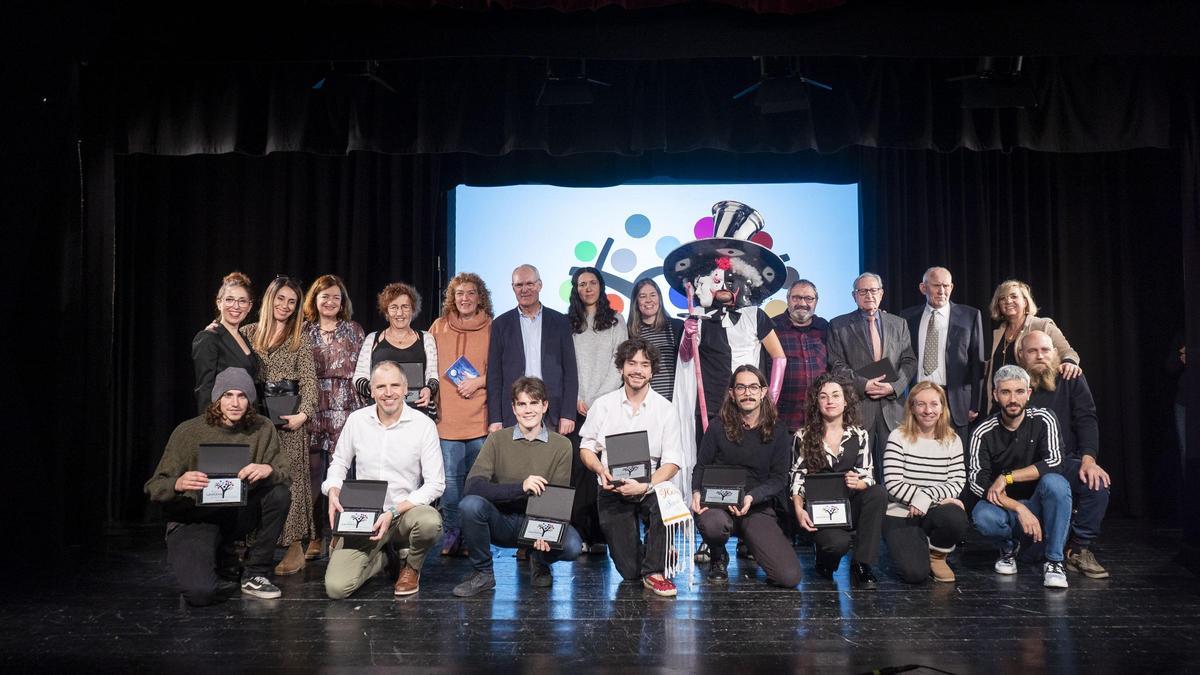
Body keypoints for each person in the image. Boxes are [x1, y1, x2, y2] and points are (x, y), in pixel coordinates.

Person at [145, 367, 290, 605]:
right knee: (201, 594)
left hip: (237, 511)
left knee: (278, 492)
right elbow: (154, 486)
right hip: (195, 517)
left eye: (242, 396)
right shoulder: (189, 431)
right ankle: (222, 558)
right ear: (217, 399)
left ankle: (255, 573)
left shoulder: (262, 428)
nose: (235, 403)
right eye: (228, 395)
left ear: (250, 400)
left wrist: (269, 470)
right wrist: (178, 483)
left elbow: (285, 474)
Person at [323, 361, 445, 599]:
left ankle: (411, 566)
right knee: (337, 589)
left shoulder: (423, 425)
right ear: (371, 389)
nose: (388, 393)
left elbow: (435, 483)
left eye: (394, 385)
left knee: (430, 522)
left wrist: (392, 511)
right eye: (381, 386)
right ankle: (384, 558)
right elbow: (339, 463)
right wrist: (333, 489)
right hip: (364, 516)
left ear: (405, 387)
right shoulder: (357, 420)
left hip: (403, 515)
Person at [452, 377, 580, 597]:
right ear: (513, 408)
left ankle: (538, 560)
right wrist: (521, 487)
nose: (528, 410)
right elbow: (473, 487)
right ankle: (483, 574)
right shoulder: (497, 440)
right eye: (522, 404)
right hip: (502, 521)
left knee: (572, 546)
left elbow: (556, 498)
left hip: (538, 522)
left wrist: (545, 530)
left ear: (544, 406)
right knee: (470, 505)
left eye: (533, 403)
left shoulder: (562, 445)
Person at [578, 338, 685, 597]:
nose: (638, 370)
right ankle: (657, 551)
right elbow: (586, 448)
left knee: (664, 499)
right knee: (629, 571)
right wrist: (600, 471)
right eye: (632, 363)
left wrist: (647, 485)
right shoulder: (603, 405)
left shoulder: (666, 409)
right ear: (621, 367)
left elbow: (672, 462)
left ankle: (656, 571)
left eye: (644, 365)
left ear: (652, 370)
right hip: (611, 488)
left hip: (649, 485)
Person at [692, 365, 801, 588]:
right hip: (718, 505)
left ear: (763, 392)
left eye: (753, 387)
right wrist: (695, 492)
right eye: (740, 387)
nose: (747, 393)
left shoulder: (778, 430)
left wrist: (752, 497)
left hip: (756, 506)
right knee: (713, 525)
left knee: (789, 577)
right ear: (732, 393)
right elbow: (701, 467)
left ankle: (754, 545)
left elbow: (779, 478)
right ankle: (718, 555)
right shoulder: (717, 427)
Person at [241, 275, 318, 577]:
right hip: (256, 422)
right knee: (257, 480)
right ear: (269, 298)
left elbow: (311, 381)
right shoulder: (247, 334)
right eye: (280, 299)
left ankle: (294, 548)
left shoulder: (300, 337)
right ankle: (256, 544)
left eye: (291, 301)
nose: (285, 306)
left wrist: (305, 414)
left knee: (292, 483)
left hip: (289, 420)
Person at [1019, 330, 1112, 578]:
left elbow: (1086, 419)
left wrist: (1089, 459)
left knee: (1096, 483)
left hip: (1063, 461)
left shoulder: (1070, 379)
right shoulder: (1014, 383)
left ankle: (1078, 548)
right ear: (1021, 356)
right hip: (1026, 469)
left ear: (1056, 353)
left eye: (1045, 350)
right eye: (1032, 351)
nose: (1040, 356)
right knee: (1029, 555)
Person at [968, 364, 1071, 588]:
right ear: (995, 395)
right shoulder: (982, 432)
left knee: (1056, 483)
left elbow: (1055, 462)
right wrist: (1018, 508)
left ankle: (1054, 562)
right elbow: (977, 483)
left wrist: (1008, 477)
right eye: (1005, 392)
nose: (1013, 399)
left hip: (1039, 505)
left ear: (1028, 393)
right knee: (983, 516)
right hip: (1004, 508)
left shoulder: (1044, 419)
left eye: (1019, 391)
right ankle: (1007, 548)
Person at [790, 373, 886, 587]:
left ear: (845, 401)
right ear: (817, 402)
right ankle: (823, 560)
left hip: (850, 504)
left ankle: (862, 564)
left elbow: (868, 476)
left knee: (878, 493)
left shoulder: (859, 436)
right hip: (820, 511)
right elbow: (797, 479)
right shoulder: (803, 436)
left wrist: (859, 482)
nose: (830, 401)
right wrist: (799, 509)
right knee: (837, 544)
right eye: (823, 397)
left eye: (835, 395)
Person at [827, 272, 918, 478]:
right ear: (854, 296)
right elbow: (836, 365)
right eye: (863, 291)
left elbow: (909, 361)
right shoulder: (838, 325)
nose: (869, 295)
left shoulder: (898, 323)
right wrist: (863, 384)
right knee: (858, 469)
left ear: (882, 293)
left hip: (892, 407)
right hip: (859, 405)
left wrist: (894, 387)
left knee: (895, 469)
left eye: (873, 290)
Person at [428, 272, 494, 557]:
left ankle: (472, 534)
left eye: (470, 293)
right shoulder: (438, 327)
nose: (465, 298)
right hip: (446, 419)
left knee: (476, 481)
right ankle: (452, 531)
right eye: (459, 293)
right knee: (451, 483)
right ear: (452, 298)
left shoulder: (494, 327)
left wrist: (479, 382)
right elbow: (429, 367)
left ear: (480, 296)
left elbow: (502, 369)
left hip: (480, 417)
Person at [301, 274, 366, 560]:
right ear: (315, 299)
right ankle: (315, 536)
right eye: (324, 296)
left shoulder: (354, 329)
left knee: (344, 473)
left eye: (335, 297)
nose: (330, 301)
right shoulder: (302, 330)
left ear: (343, 302)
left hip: (346, 404)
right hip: (312, 404)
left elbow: (364, 369)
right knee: (314, 472)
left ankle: (341, 532)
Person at [881, 382, 970, 583]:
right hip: (900, 512)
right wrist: (927, 498)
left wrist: (926, 498)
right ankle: (915, 547)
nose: (928, 410)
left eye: (934, 404)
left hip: (935, 511)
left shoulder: (952, 440)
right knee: (915, 574)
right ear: (911, 407)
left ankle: (937, 555)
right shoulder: (898, 436)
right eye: (921, 404)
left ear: (942, 408)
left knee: (955, 516)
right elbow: (893, 483)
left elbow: (956, 482)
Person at [568, 266, 627, 552]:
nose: (587, 288)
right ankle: (580, 533)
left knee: (604, 471)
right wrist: (578, 397)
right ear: (575, 289)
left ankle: (601, 537)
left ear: (601, 287)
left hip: (606, 408)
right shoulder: (567, 323)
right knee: (579, 472)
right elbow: (566, 365)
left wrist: (597, 401)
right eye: (582, 284)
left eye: (592, 283)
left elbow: (620, 364)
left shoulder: (617, 320)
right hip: (576, 407)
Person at [486, 264, 578, 435]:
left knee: (551, 462)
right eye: (519, 285)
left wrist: (568, 413)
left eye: (530, 284)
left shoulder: (560, 322)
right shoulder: (500, 324)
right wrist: (495, 418)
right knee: (516, 462)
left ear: (539, 285)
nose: (524, 289)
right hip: (514, 412)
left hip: (553, 412)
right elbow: (494, 375)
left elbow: (570, 372)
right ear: (512, 288)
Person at [899, 267, 985, 442]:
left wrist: (975, 403)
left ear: (952, 287)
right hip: (918, 397)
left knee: (956, 455)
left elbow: (977, 363)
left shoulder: (970, 315)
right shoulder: (907, 317)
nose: (942, 291)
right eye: (936, 285)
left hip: (956, 401)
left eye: (946, 286)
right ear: (923, 288)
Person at [984, 279, 1081, 413]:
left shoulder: (1042, 325)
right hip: (1001, 404)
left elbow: (1068, 352)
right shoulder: (998, 333)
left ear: (1025, 301)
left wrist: (1069, 363)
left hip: (1032, 402)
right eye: (1002, 298)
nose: (1008, 301)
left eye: (1013, 296)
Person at [354, 283, 440, 418]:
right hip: (380, 415)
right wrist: (377, 389)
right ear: (386, 311)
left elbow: (433, 376)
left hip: (418, 413)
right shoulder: (373, 339)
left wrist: (429, 389)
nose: (399, 313)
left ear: (413, 309)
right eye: (394, 307)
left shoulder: (426, 339)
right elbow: (359, 377)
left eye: (405, 307)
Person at [192, 272, 259, 414]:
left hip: (248, 419)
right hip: (222, 422)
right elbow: (204, 389)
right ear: (219, 302)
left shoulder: (245, 337)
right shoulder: (208, 338)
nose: (236, 306)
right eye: (229, 300)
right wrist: (208, 428)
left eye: (242, 301)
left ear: (249, 306)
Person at [772, 279, 830, 434]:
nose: (802, 303)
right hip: (782, 420)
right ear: (788, 299)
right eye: (796, 298)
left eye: (809, 299)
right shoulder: (772, 328)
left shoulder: (826, 328)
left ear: (816, 302)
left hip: (820, 419)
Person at [626, 278, 683, 401]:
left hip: (674, 400)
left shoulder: (676, 327)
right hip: (644, 402)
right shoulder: (629, 333)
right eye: (642, 296)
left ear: (659, 298)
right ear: (636, 302)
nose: (649, 300)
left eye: (653, 295)